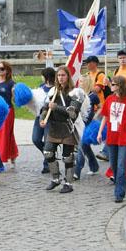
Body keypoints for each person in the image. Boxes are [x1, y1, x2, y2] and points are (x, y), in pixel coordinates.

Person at [39, 66, 83, 194]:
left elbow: (72, 113)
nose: (60, 78)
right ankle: (55, 178)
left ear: (68, 76)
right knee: (47, 152)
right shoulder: (53, 91)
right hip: (53, 127)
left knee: (68, 157)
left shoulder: (76, 92)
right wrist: (43, 119)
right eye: (58, 75)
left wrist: (56, 107)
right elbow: (46, 108)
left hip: (67, 128)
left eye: (63, 75)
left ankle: (68, 183)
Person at [97, 75, 126, 203]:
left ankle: (119, 193)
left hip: (124, 137)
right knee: (113, 165)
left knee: (121, 165)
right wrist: (99, 132)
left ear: (120, 86)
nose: (111, 86)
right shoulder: (109, 99)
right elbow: (105, 117)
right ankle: (118, 186)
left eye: (113, 84)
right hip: (112, 136)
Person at [73, 75, 100, 180]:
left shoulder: (93, 96)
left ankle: (77, 171)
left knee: (81, 148)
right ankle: (94, 166)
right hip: (79, 124)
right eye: (79, 81)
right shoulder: (78, 94)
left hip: (88, 125)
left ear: (87, 82)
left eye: (82, 81)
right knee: (85, 147)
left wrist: (96, 116)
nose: (80, 83)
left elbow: (101, 107)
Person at [0, 61, 19, 168]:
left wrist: (16, 92)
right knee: (2, 135)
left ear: (7, 70)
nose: (0, 70)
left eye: (2, 69)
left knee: (4, 134)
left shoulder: (11, 83)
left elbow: (14, 98)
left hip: (7, 111)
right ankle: (12, 155)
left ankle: (2, 158)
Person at [31, 67, 55, 174]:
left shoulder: (55, 89)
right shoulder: (41, 87)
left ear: (46, 77)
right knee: (35, 139)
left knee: (47, 142)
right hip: (39, 117)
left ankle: (47, 164)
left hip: (50, 119)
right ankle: (50, 155)